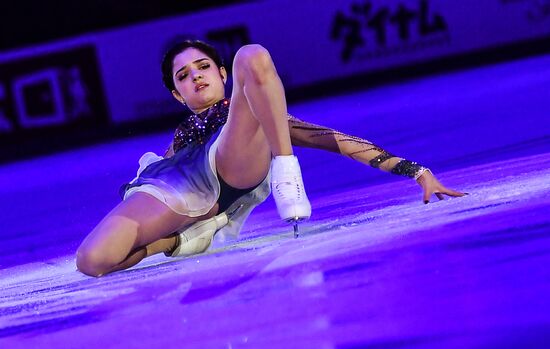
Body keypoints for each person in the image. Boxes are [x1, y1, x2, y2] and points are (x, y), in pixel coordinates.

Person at [76, 40, 464, 277]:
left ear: (223, 74)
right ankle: (181, 239)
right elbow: (101, 261)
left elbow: (334, 140)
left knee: (253, 54)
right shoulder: (178, 140)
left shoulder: (255, 112)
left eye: (204, 66)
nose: (196, 77)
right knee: (93, 260)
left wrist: (418, 172)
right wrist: (168, 243)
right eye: (183, 76)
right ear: (178, 95)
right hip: (182, 183)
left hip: (234, 162)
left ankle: (286, 168)